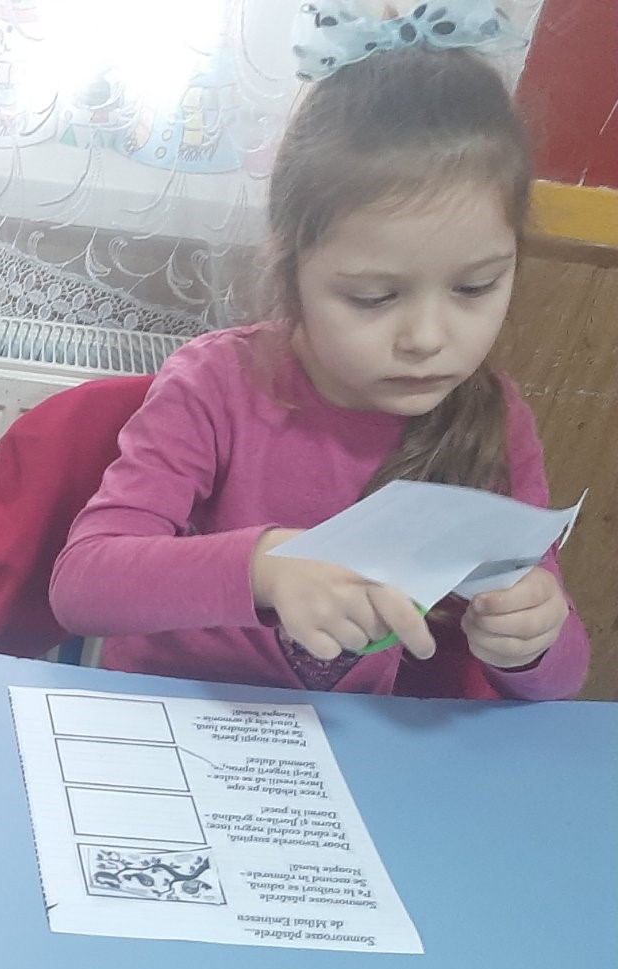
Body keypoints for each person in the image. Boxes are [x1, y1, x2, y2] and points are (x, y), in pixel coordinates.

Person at [49, 37, 588, 699]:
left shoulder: (494, 421)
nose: (427, 339)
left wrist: (532, 638)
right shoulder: (214, 386)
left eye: (475, 288)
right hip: (168, 713)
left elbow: (561, 682)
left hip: (340, 740)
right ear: (292, 269)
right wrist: (265, 566)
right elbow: (82, 584)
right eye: (374, 297)